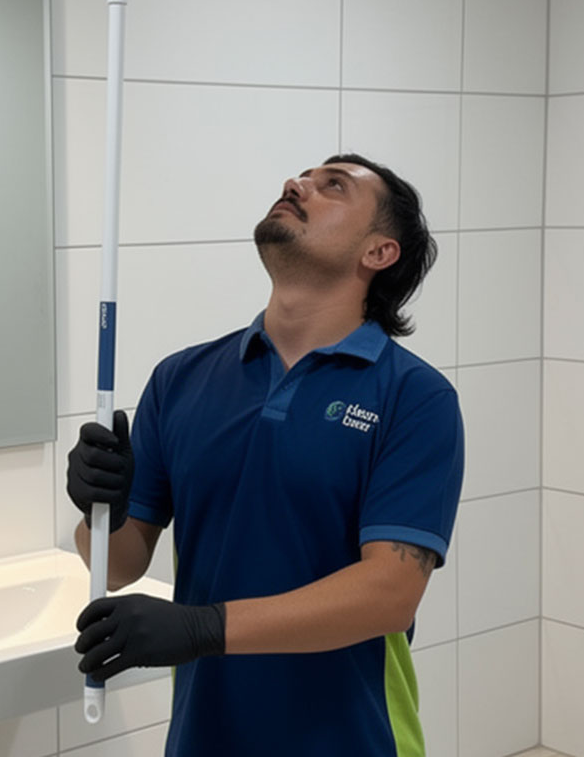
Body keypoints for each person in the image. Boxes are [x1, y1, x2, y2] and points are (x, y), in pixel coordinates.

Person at [67, 153, 463, 756]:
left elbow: (390, 594)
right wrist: (103, 510)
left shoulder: (414, 397)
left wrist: (204, 627)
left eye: (333, 186)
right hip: (204, 738)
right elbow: (119, 566)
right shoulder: (181, 378)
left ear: (379, 252)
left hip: (353, 739)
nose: (296, 184)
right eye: (304, 176)